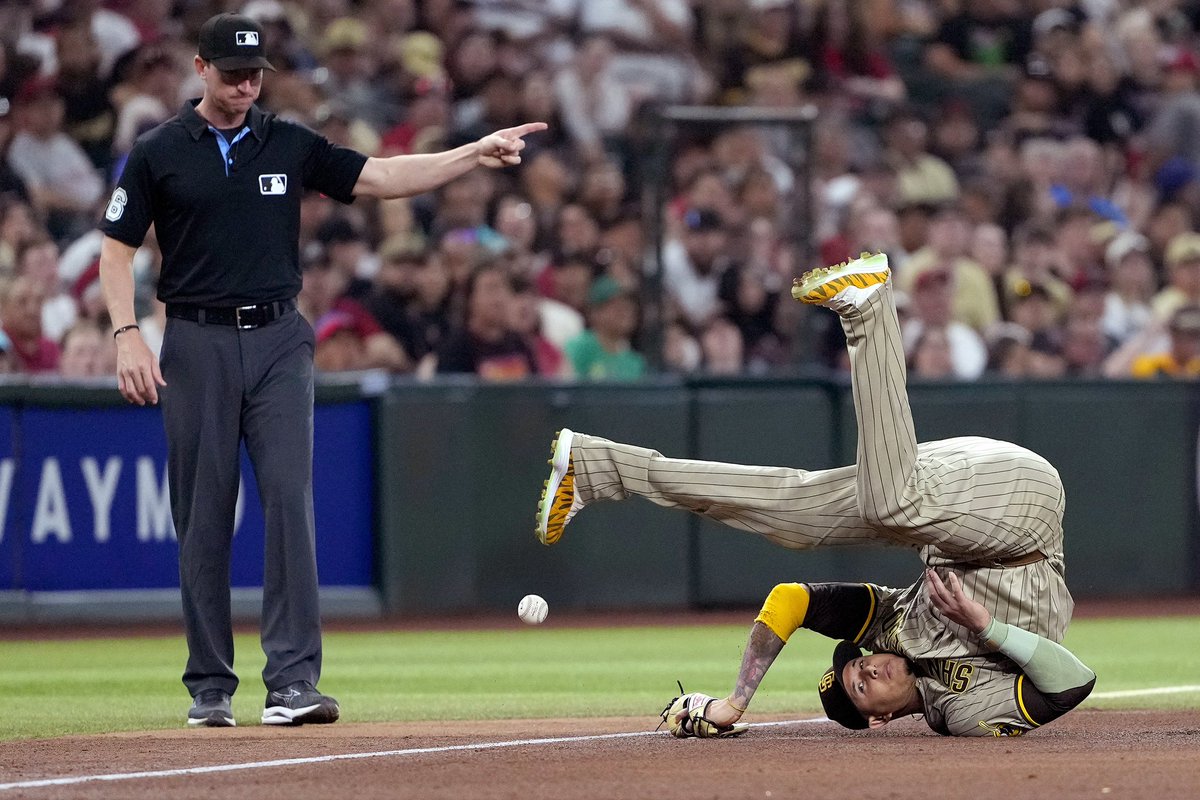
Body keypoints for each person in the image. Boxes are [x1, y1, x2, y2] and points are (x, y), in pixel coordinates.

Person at [98, 12, 545, 730]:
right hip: (196, 338)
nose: (246, 85)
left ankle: (292, 683)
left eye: (255, 74)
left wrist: (471, 153)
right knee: (203, 514)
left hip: (279, 336)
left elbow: (382, 176)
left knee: (287, 500)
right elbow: (115, 248)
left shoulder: (287, 141)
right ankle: (210, 686)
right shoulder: (159, 151)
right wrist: (127, 335)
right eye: (233, 72)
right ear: (200, 67)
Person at [534, 253, 1096, 737]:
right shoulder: (959, 711)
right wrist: (986, 628)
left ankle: (870, 309)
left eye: (857, 667)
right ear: (878, 719)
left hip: (991, 496)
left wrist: (735, 703)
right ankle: (600, 467)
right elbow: (1073, 682)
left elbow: (791, 600)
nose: (868, 668)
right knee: (798, 517)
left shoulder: (890, 629)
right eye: (860, 684)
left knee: (894, 503)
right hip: (1018, 527)